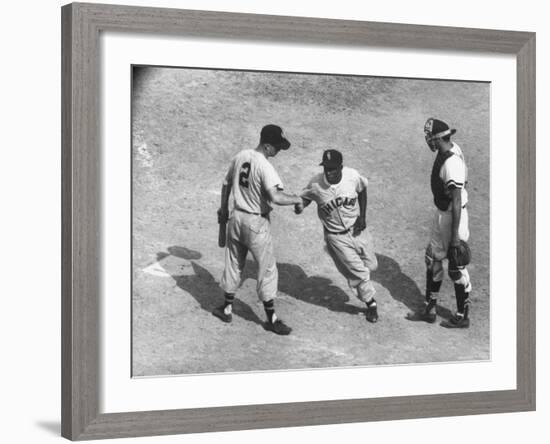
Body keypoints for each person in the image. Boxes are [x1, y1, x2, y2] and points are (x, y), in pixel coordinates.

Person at [213, 124, 303, 335]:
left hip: (236, 218)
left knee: (234, 263)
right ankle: (271, 319)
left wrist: (224, 209)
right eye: (277, 147)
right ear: (267, 145)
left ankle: (226, 307)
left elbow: (226, 184)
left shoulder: (241, 156)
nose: (279, 151)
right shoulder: (265, 166)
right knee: (268, 269)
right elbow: (276, 197)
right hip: (256, 223)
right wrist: (297, 199)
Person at [294, 149, 379, 323]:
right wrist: (300, 206)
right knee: (360, 273)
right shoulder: (316, 184)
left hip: (357, 229)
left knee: (372, 265)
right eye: (326, 168)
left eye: (333, 168)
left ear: (341, 167)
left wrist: (362, 217)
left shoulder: (352, 176)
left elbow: (362, 190)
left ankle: (354, 274)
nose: (329, 172)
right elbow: (305, 198)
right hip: (335, 237)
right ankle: (371, 304)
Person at [422, 118, 472, 328]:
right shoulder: (448, 150)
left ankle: (462, 315)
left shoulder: (451, 163)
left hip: (454, 217)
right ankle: (430, 307)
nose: (427, 142)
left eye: (428, 138)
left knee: (455, 265)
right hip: (443, 213)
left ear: (435, 139)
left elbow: (457, 199)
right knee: (432, 257)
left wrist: (454, 238)